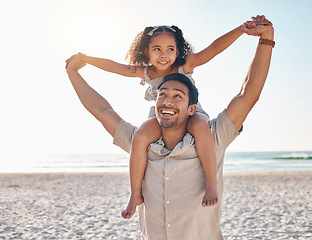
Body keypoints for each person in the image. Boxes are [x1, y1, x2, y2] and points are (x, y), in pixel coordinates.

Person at [66, 15, 274, 239]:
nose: (168, 101)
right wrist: (77, 67)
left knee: (200, 125)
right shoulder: (142, 141)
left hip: (199, 125)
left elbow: (246, 92)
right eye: (162, 95)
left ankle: (211, 183)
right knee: (142, 133)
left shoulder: (212, 135)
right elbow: (102, 109)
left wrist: (256, 35)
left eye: (178, 95)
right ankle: (134, 194)